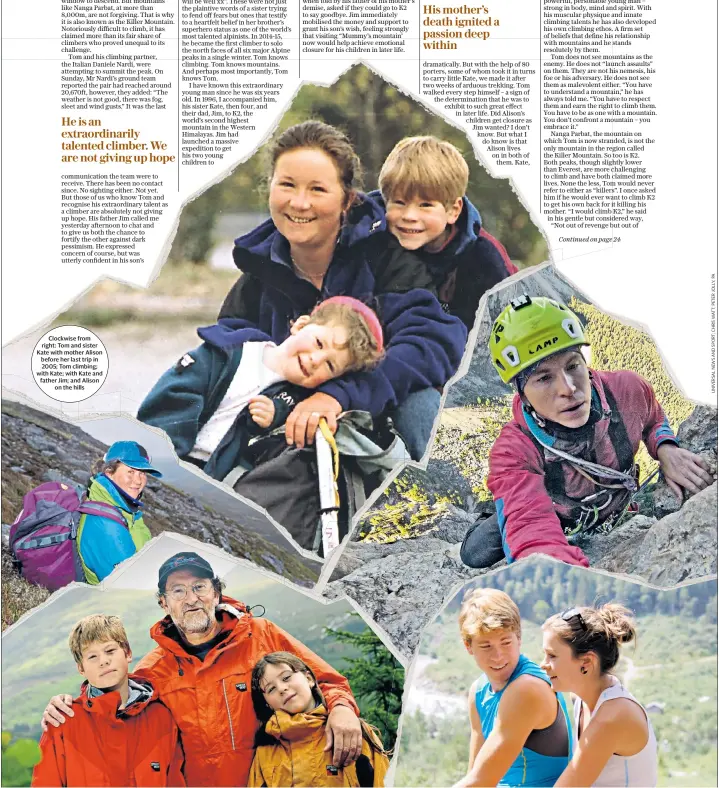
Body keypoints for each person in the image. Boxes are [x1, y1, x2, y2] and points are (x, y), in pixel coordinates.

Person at [218, 120, 468, 460]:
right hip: (290, 423)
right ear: (270, 189)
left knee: (421, 402)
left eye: (318, 190)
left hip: (378, 409)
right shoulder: (256, 280)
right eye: (287, 185)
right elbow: (220, 361)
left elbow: (432, 342)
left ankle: (461, 507)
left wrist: (338, 395)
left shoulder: (384, 256)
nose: (300, 203)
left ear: (347, 200)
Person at [41, 551, 363, 787]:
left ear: (216, 593)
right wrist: (68, 706)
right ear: (164, 603)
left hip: (273, 779)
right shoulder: (154, 670)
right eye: (178, 591)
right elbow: (115, 705)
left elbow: (325, 680)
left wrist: (343, 711)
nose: (191, 598)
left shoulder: (261, 635)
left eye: (199, 587)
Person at [460, 295, 713, 569]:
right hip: (555, 512)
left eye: (572, 366)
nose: (568, 388)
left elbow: (653, 418)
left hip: (613, 505)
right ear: (523, 392)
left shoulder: (627, 389)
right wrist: (561, 575)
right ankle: (502, 507)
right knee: (475, 554)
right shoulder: (514, 450)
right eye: (544, 378)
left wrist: (665, 448)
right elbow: (532, 532)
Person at [137, 297, 385, 482]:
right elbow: (174, 398)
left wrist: (272, 417)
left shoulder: (296, 402)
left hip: (215, 480)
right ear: (300, 326)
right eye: (318, 343)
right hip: (169, 457)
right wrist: (163, 461)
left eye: (330, 365)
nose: (314, 360)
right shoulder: (226, 352)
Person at [376, 135, 517, 331]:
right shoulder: (372, 239)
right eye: (399, 202)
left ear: (453, 211)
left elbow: (506, 325)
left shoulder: (484, 259)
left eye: (425, 205)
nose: (409, 215)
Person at [32, 614, 184, 787]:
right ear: (81, 668)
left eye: (110, 651)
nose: (103, 661)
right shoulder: (63, 723)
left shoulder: (161, 718)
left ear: (127, 653)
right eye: (92, 657)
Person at [454, 588, 571, 787]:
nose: (498, 655)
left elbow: (480, 782)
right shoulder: (479, 691)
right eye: (486, 646)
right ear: (468, 646)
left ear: (519, 638)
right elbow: (474, 774)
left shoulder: (527, 688)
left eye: (506, 642)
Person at [541, 605, 658, 786]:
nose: (544, 665)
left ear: (586, 663)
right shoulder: (583, 697)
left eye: (552, 656)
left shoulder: (612, 717)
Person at [248, 651, 390, 787]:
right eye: (271, 689)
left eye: (286, 678)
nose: (281, 688)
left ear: (309, 679)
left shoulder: (348, 729)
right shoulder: (265, 751)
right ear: (268, 704)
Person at [77, 441, 162, 584]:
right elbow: (128, 587)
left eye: (142, 473)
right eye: (131, 471)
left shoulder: (125, 509)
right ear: (109, 473)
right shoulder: (106, 526)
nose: (138, 480)